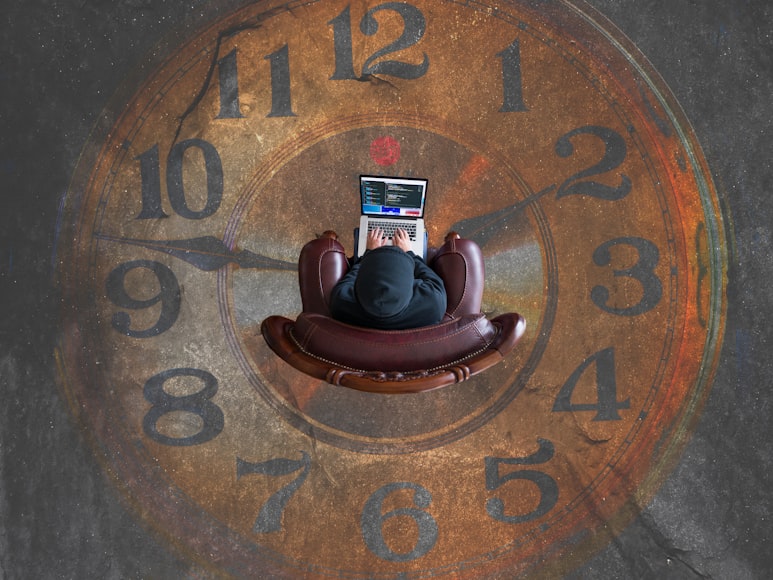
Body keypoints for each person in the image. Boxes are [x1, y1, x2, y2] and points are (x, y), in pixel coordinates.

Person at [328, 227, 447, 330]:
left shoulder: (340, 301)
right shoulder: (434, 304)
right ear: (410, 283)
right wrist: (408, 252)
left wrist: (369, 252)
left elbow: (351, 276)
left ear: (359, 284)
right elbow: (430, 276)